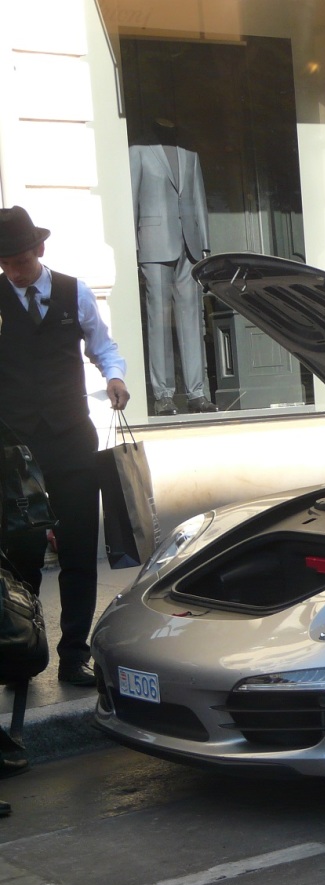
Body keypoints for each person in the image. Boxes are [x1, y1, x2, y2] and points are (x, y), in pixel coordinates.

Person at [0, 206, 130, 686]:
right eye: (5, 263)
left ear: (39, 250)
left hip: (72, 438)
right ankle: (23, 652)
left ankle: (74, 654)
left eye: (19, 260)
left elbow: (104, 346)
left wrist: (114, 377)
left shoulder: (74, 292)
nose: (13, 270)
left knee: (78, 549)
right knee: (23, 553)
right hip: (14, 449)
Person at [129, 118, 216, 415]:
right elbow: (131, 199)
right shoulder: (138, 150)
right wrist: (133, 246)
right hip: (153, 244)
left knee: (192, 318)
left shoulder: (189, 153)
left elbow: (199, 198)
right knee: (158, 320)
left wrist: (204, 246)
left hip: (188, 246)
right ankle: (163, 394)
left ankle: (197, 392)